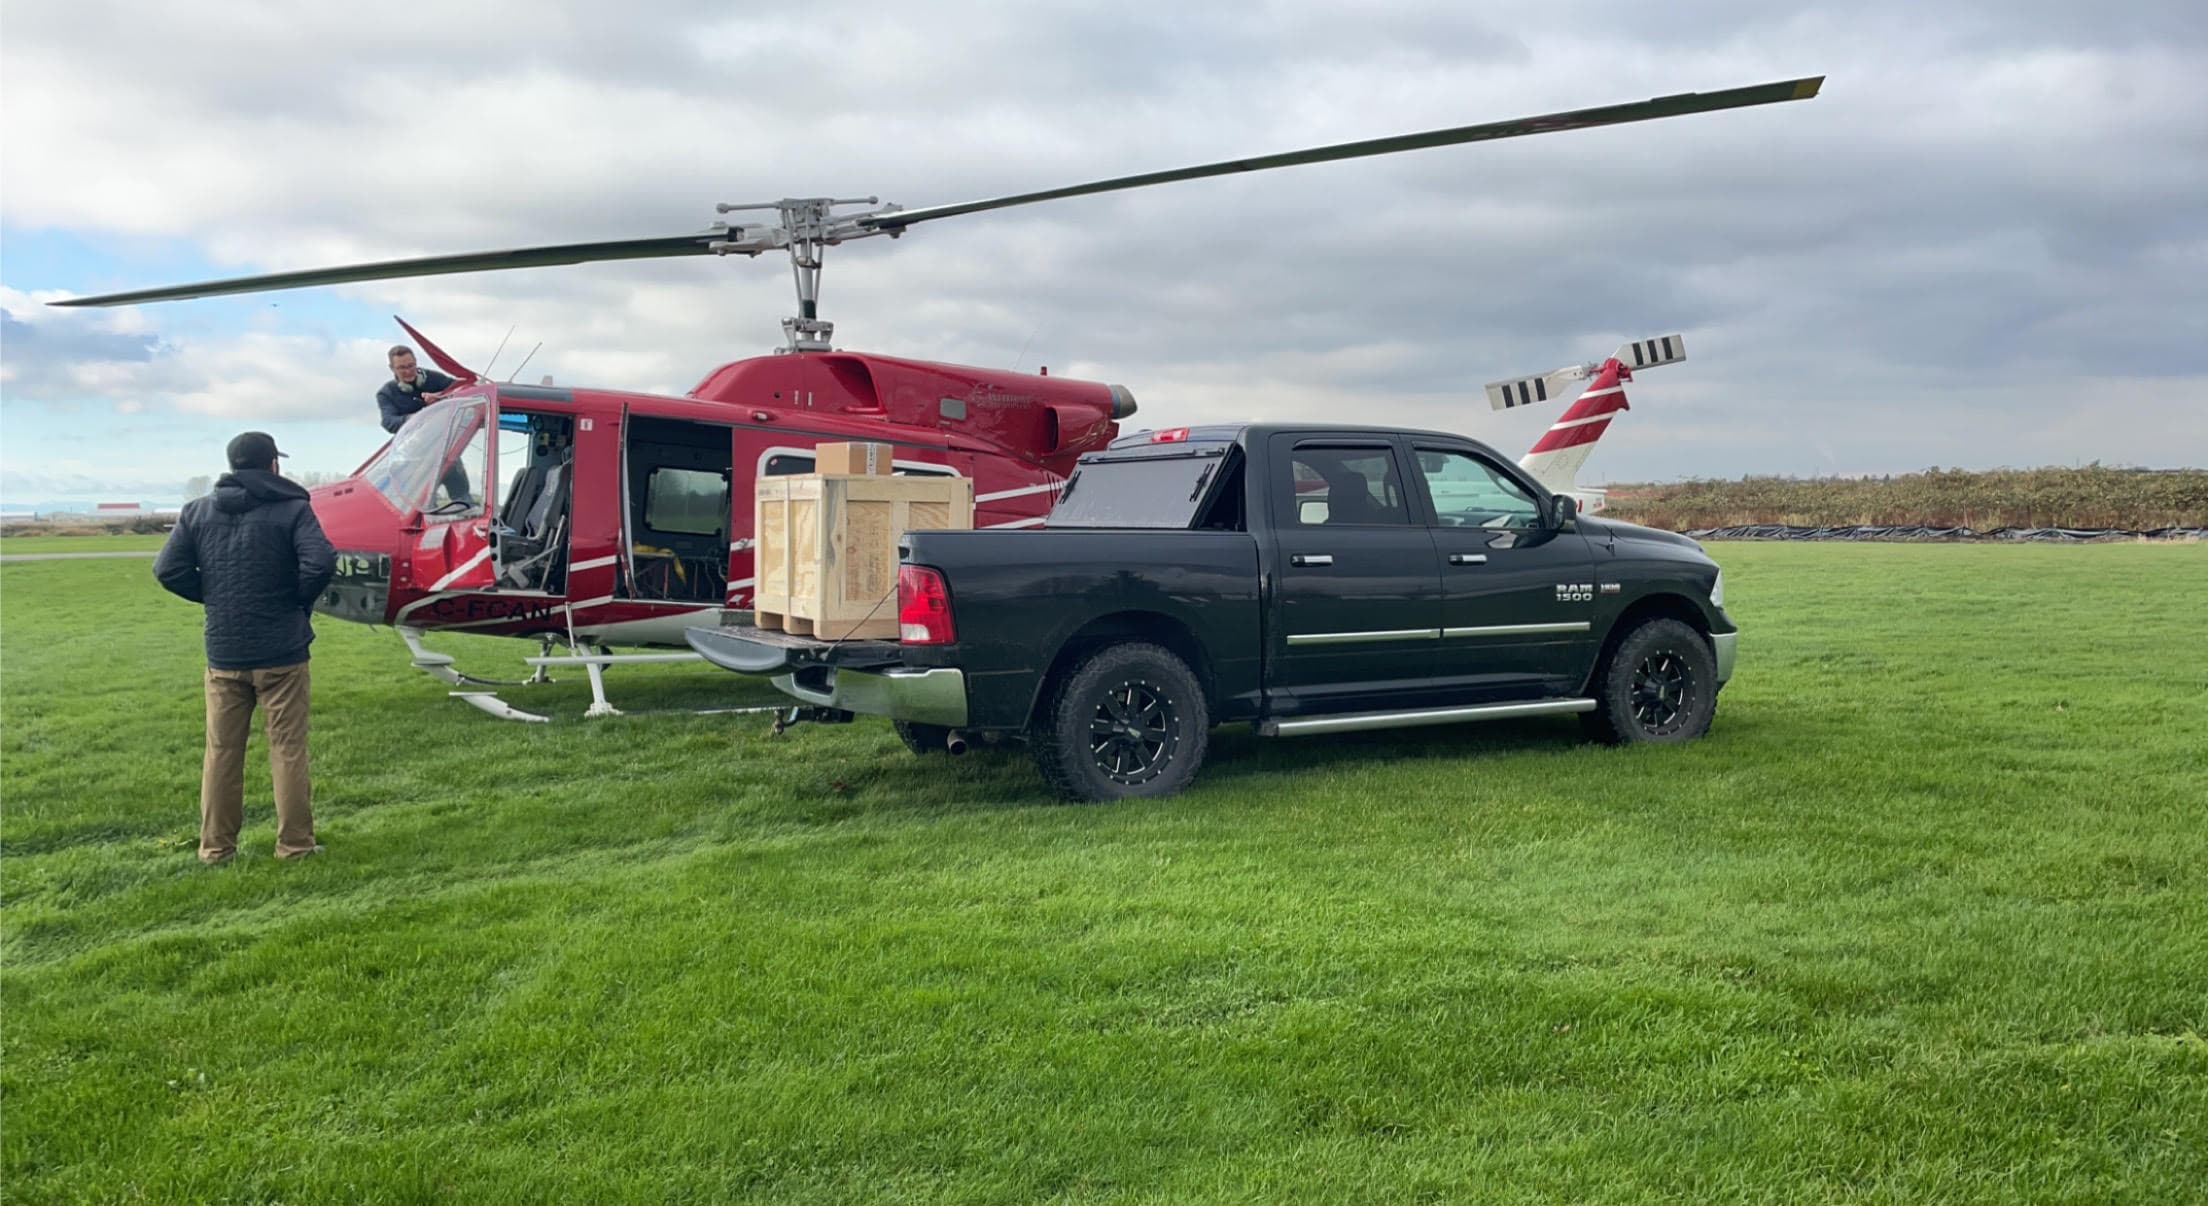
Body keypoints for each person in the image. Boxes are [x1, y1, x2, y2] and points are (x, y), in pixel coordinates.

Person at [154, 432, 336, 864]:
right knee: (287, 749)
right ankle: (294, 846)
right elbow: (322, 561)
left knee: (221, 752)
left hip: (224, 652)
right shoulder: (293, 509)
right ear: (273, 464)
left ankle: (215, 849)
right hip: (283, 651)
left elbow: (167, 569)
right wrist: (294, 600)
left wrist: (215, 596)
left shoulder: (197, 511)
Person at [376, 345, 473, 507]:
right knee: (424, 508)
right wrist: (416, 419)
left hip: (446, 452)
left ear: (416, 363)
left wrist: (441, 398)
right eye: (401, 368)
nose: (408, 371)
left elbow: (466, 391)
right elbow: (388, 422)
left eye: (411, 366)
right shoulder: (387, 393)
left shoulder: (435, 379)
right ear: (392, 368)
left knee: (464, 501)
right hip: (414, 459)